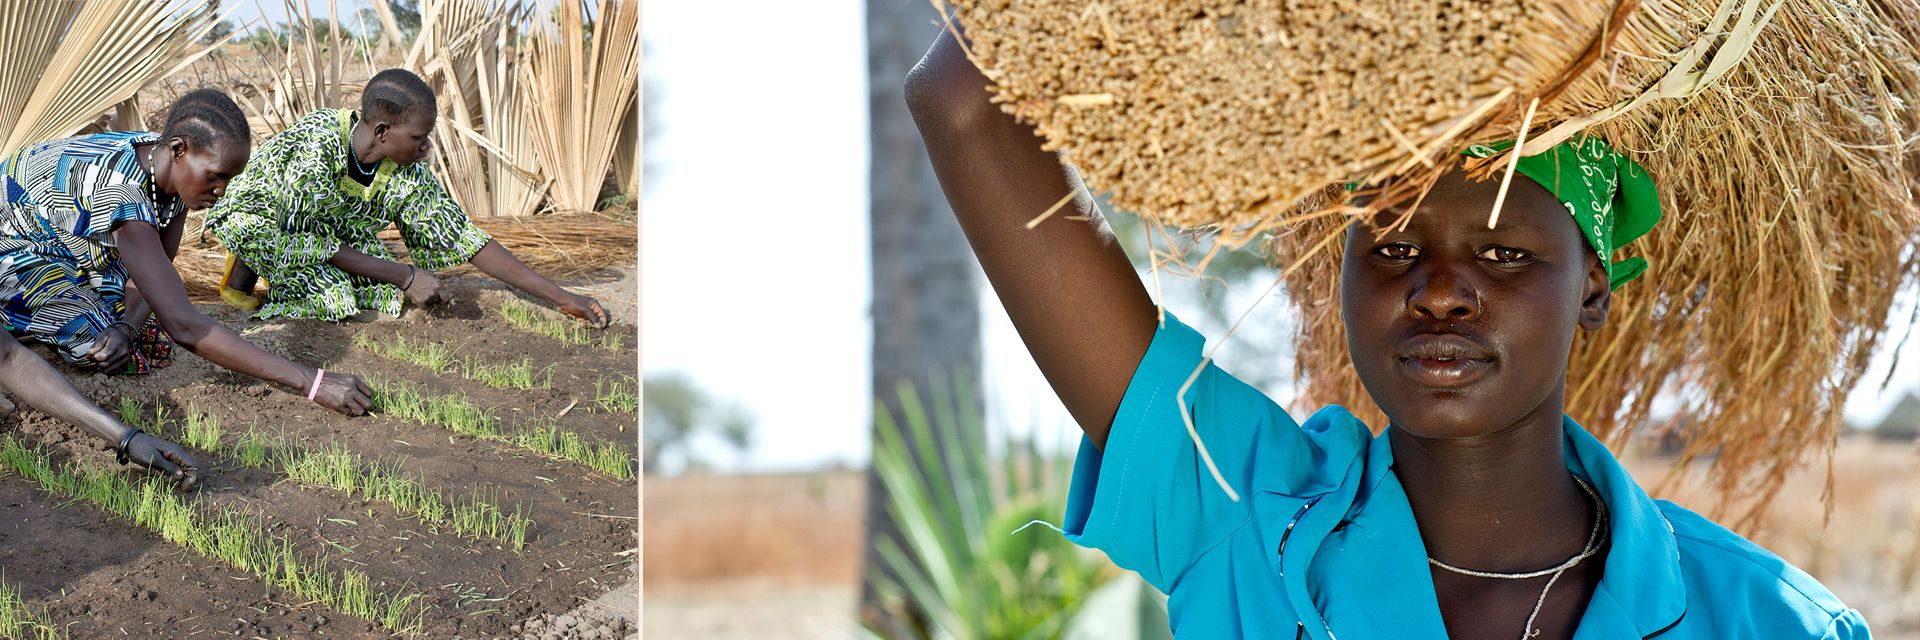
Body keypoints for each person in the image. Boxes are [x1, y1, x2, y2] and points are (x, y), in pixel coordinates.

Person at [906, 27, 1867, 639]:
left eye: (1504, 257)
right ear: (1342, 274)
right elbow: (959, 105)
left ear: (1592, 293)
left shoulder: (1766, 621)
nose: (1441, 293)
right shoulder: (1245, 514)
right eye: (1397, 248)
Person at [0, 88, 373, 416]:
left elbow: (160, 266)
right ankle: (14, 320)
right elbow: (184, 325)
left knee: (142, 339)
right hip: (12, 244)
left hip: (59, 239)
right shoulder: (122, 192)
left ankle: (61, 309)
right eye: (215, 176)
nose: (222, 190)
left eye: (229, 178)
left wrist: (128, 326)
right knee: (94, 346)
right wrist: (311, 380)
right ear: (179, 149)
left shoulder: (168, 167)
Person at [206, 68, 610, 329]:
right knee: (329, 296)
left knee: (368, 291)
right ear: (382, 131)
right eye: (418, 137)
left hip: (325, 230)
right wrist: (405, 275)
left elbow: (464, 238)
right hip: (268, 219)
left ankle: (281, 275)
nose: (426, 147)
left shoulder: (407, 172)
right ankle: (244, 263)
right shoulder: (319, 143)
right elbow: (301, 237)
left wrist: (563, 297)